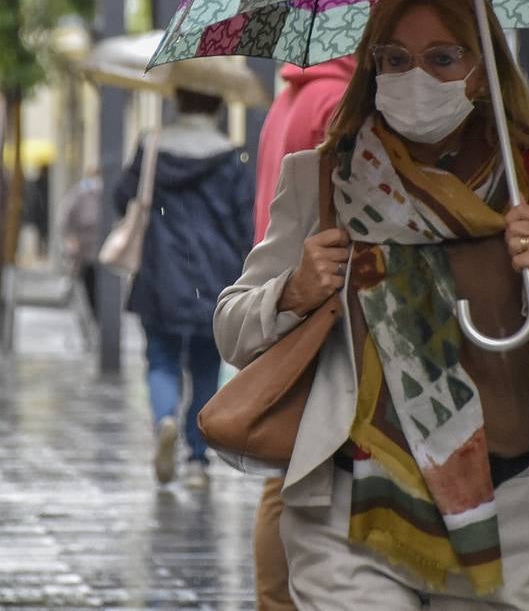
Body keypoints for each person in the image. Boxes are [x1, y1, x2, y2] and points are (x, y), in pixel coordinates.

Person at [216, 0, 529, 608]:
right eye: (395, 59)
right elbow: (231, 329)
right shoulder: (323, 178)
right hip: (351, 512)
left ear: (480, 72)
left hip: (503, 515)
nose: (414, 77)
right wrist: (292, 291)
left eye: (441, 58)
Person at [252, 57, 355, 611]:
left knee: (285, 465)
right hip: (317, 294)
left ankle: (274, 598)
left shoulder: (285, 100)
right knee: (295, 470)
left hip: (285, 283)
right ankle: (278, 599)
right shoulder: (334, 101)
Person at [115, 88, 253, 489]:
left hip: (161, 273)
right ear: (219, 105)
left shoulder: (153, 148)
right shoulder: (231, 157)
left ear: (178, 101)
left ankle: (165, 420)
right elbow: (245, 222)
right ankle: (196, 458)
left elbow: (121, 196)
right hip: (215, 277)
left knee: (160, 358)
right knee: (206, 366)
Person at [59, 170, 102, 317]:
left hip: (101, 250)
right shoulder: (79, 194)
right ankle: (93, 315)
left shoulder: (104, 194)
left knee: (98, 286)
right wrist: (71, 239)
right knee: (89, 283)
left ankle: (96, 315)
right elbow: (65, 218)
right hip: (85, 251)